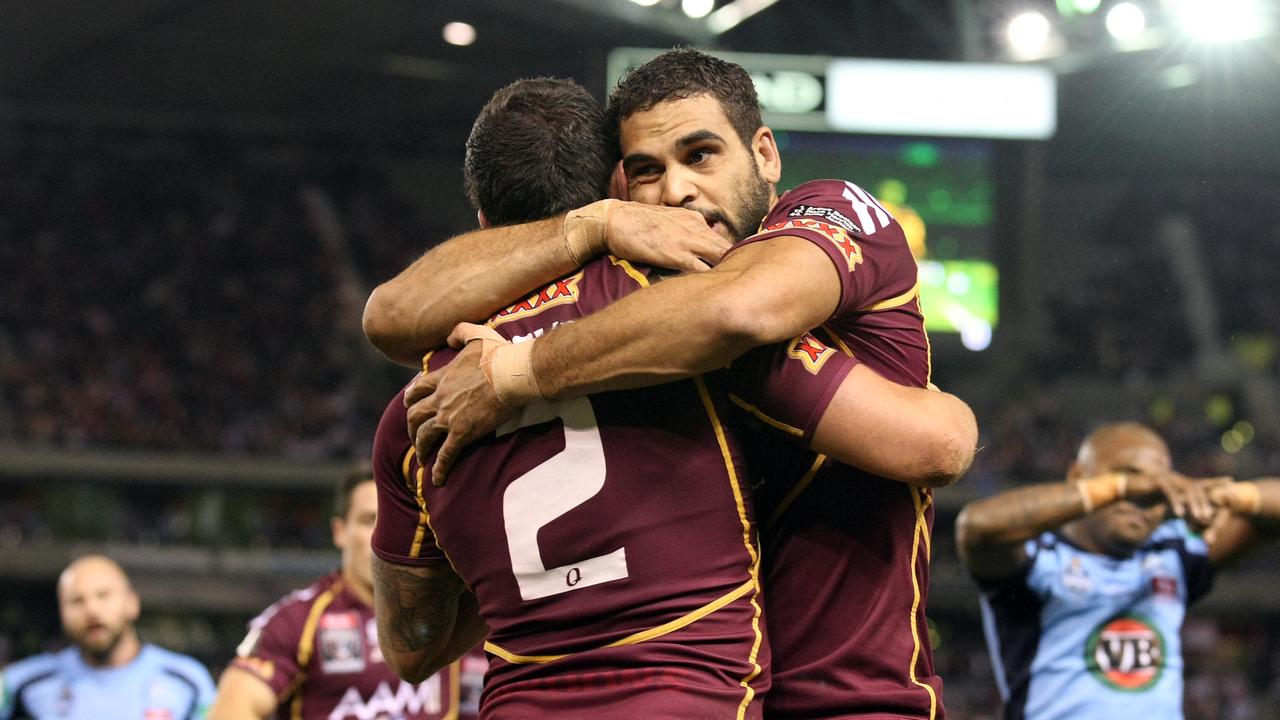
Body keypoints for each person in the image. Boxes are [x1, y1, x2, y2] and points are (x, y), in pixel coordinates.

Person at [374, 49, 964, 719]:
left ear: (765, 154)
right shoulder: (645, 331)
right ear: (617, 191)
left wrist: (517, 372)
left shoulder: (823, 214)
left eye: (701, 155)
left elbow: (739, 311)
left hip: (850, 705)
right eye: (648, 171)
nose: (677, 190)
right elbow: (386, 315)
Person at [954, 421, 1280, 720]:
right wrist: (1121, 487)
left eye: (1157, 484)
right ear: (1079, 477)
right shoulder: (1038, 557)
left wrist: (1231, 495)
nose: (1145, 493)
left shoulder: (1174, 554)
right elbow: (977, 527)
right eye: (1130, 475)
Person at [208, 464, 480, 720]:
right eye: (369, 519)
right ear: (340, 532)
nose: (384, 535)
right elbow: (231, 709)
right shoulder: (297, 621)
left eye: (400, 521)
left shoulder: (461, 614)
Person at [0, 554, 215, 720]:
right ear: (61, 613)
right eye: (77, 600)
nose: (92, 610)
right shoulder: (22, 681)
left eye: (103, 596)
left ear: (132, 603)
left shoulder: (188, 680)